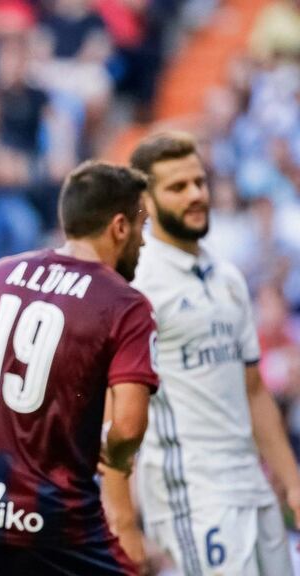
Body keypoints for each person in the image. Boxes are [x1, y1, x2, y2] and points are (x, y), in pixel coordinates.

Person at [0, 160, 157, 575]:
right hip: (56, 523)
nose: (143, 244)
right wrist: (112, 452)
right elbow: (129, 427)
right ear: (119, 227)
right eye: (141, 227)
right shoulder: (125, 304)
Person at [107, 131, 300, 575]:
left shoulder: (228, 277)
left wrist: (291, 484)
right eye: (178, 187)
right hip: (190, 497)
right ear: (146, 203)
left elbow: (254, 391)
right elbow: (113, 413)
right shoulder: (137, 289)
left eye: (199, 182)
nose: (195, 194)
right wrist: (123, 520)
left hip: (252, 487)